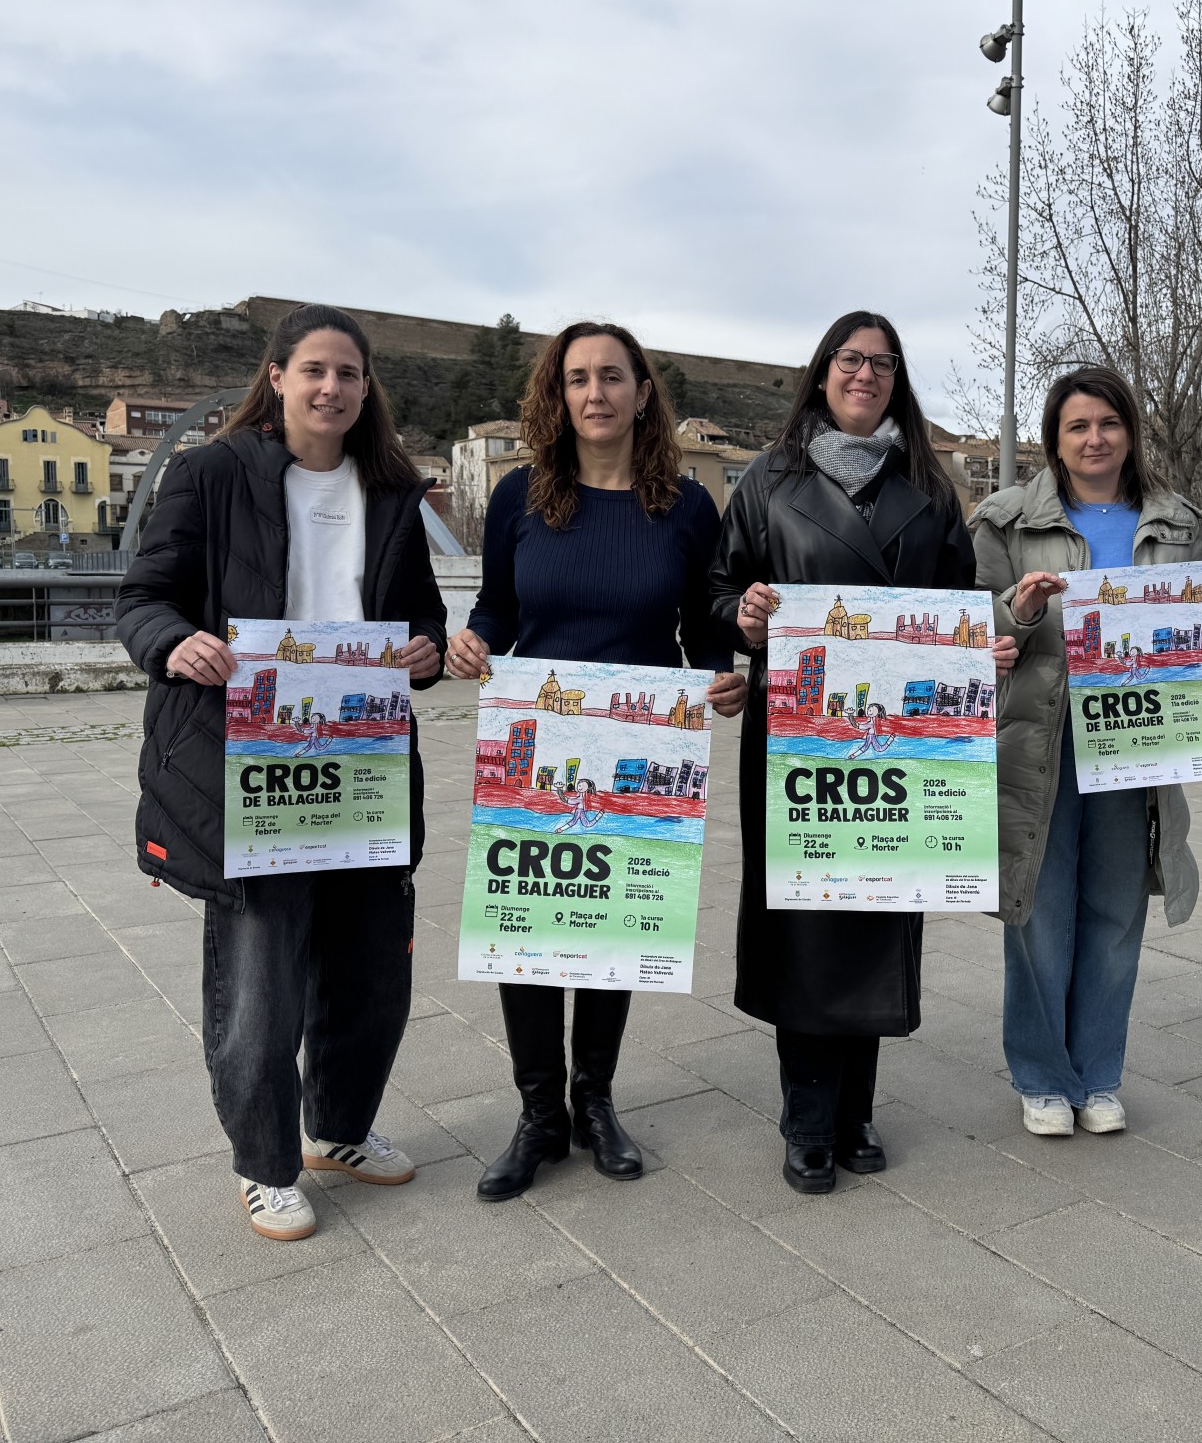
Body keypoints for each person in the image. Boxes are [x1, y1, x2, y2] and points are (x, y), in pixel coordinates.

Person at [117, 304, 447, 1240]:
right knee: (261, 975)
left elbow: (419, 614)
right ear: (276, 377)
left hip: (365, 759)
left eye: (348, 373)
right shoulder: (212, 474)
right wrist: (174, 642)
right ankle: (263, 1164)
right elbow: (144, 597)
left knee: (371, 967)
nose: (331, 388)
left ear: (366, 387)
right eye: (314, 370)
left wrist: (423, 650)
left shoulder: (389, 493)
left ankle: (338, 1131)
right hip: (245, 759)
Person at [710, 310, 1016, 1194]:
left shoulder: (927, 483)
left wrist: (978, 648)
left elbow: (961, 601)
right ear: (823, 370)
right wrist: (744, 615)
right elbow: (718, 587)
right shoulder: (768, 479)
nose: (866, 375)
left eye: (883, 364)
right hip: (798, 740)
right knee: (806, 924)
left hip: (902, 746)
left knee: (880, 905)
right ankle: (809, 1113)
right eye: (852, 359)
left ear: (897, 380)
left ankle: (857, 1108)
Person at [445, 321, 746, 1201]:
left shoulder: (687, 506)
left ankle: (596, 1101)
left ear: (643, 392)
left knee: (611, 923)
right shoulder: (520, 498)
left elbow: (705, 625)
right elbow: (500, 607)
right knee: (528, 926)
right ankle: (539, 1115)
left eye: (613, 376)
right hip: (535, 740)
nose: (596, 393)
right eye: (577, 378)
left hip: (642, 744)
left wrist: (723, 678)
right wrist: (473, 641)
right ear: (558, 394)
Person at [974, 365, 1202, 1138]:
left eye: (1108, 423)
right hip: (1038, 742)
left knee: (1114, 910)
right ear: (1054, 442)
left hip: (1138, 745)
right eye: (1077, 427)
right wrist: (1017, 610)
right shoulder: (1002, 521)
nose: (1095, 439)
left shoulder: (1175, 521)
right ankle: (1041, 1075)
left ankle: (1097, 1075)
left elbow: (1199, 635)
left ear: (1129, 431)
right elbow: (972, 634)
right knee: (1037, 909)